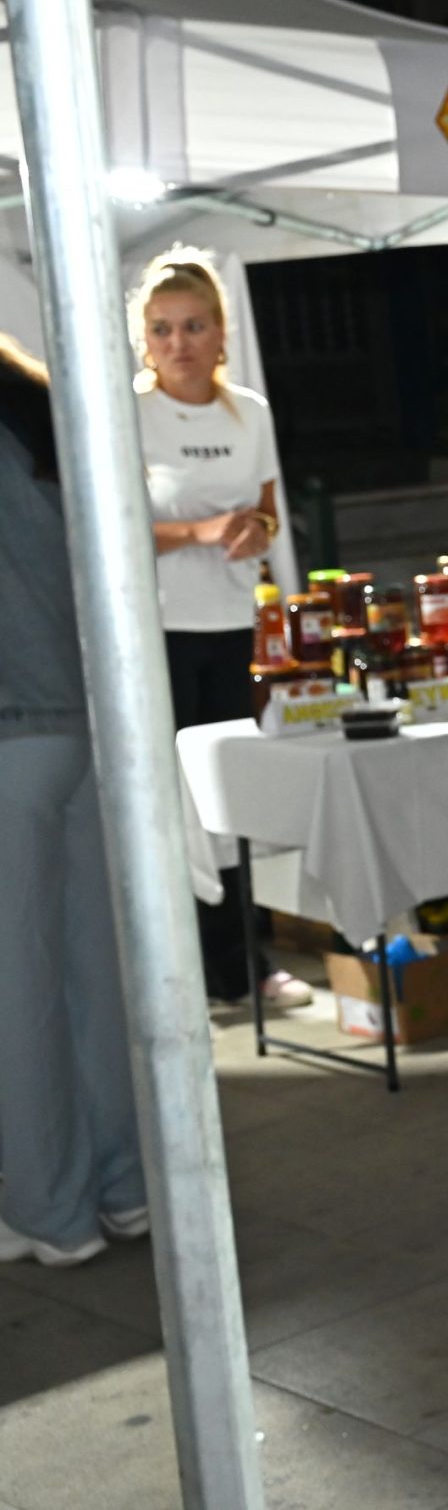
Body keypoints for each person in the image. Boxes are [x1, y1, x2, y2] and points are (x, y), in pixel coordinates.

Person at [0, 335, 149, 1268]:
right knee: (98, 977)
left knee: (21, 990)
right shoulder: (46, 406)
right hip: (92, 724)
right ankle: (125, 1185)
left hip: (12, 730)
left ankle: (52, 1211)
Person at [131, 248, 311, 1011]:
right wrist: (201, 531)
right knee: (169, 806)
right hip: (157, 632)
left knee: (227, 794)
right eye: (163, 328)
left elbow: (269, 514)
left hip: (232, 623)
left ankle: (243, 965)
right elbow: (114, 525)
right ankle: (182, 972)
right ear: (145, 339)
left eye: (194, 325)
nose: (179, 342)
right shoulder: (129, 413)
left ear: (219, 332)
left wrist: (252, 531)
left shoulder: (251, 412)